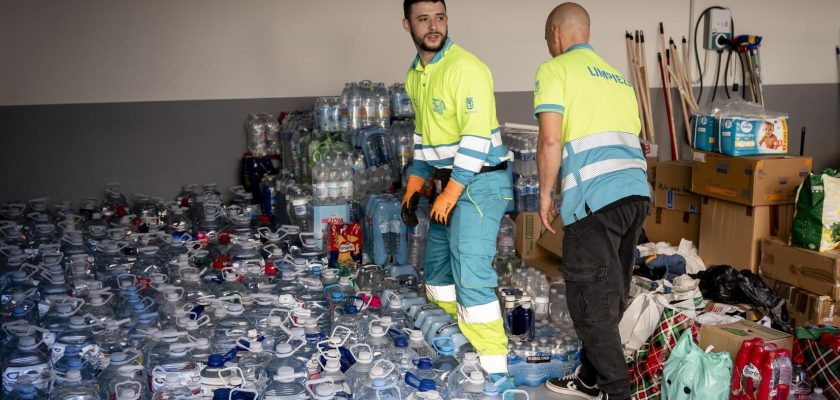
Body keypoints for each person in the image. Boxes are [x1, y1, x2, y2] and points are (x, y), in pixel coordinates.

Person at [534, 3, 650, 399]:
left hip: (594, 202)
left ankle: (617, 393)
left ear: (555, 34)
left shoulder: (555, 69)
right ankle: (589, 377)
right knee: (611, 295)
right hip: (635, 196)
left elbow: (550, 139)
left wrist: (546, 193)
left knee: (589, 306)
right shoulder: (617, 77)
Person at [399, 0, 514, 382]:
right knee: (436, 271)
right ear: (407, 26)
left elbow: (476, 139)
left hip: (480, 182)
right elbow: (423, 137)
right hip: (450, 182)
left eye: (440, 17)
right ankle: (454, 351)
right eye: (423, 19)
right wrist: (415, 183)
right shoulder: (416, 75)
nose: (433, 26)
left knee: (471, 273)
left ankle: (495, 373)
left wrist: (450, 193)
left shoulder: (466, 68)